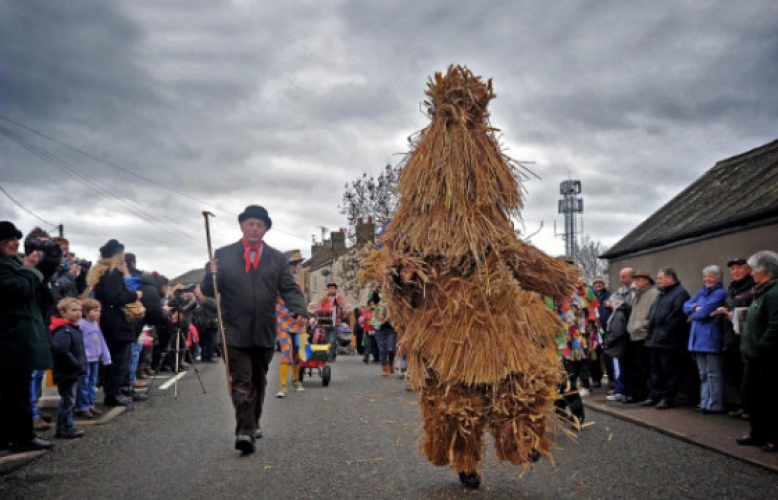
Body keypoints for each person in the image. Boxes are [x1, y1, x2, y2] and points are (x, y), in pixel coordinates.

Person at [201, 205, 308, 455]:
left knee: (258, 381)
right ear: (242, 226)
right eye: (250, 223)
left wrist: (299, 309)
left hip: (263, 330)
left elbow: (289, 288)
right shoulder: (223, 255)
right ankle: (245, 432)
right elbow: (210, 290)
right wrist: (209, 275)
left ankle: (253, 422)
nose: (254, 228)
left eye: (260, 225)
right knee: (241, 382)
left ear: (266, 229)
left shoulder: (277, 258)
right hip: (233, 330)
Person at [0, 221, 60, 452]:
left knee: (15, 391)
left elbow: (38, 290)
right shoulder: (7, 267)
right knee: (15, 393)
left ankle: (11, 436)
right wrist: (30, 268)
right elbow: (18, 289)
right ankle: (22, 437)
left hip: (17, 337)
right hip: (10, 337)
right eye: (9, 240)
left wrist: (44, 262)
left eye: (16, 239)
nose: (15, 243)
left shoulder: (14, 263)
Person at [87, 239, 144, 407]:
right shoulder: (112, 274)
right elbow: (116, 298)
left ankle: (116, 391)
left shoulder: (100, 272)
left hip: (108, 321)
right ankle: (113, 394)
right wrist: (135, 295)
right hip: (116, 322)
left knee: (115, 359)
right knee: (119, 360)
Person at [736, 250, 778, 453]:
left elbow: (775, 325)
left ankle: (772, 437)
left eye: (753, 269)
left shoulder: (774, 293)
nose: (750, 273)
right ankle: (757, 432)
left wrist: (760, 346)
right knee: (751, 395)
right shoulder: (761, 292)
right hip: (754, 356)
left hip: (767, 357)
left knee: (769, 398)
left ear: (764, 271)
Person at [643, 268, 690, 409]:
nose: (658, 281)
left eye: (660, 278)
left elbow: (676, 318)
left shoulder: (680, 294)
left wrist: (662, 335)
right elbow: (653, 315)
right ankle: (654, 395)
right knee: (655, 371)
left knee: (668, 371)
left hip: (669, 342)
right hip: (655, 340)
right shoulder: (661, 295)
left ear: (671, 278)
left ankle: (667, 398)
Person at [684, 265, 727, 414]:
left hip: (710, 338)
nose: (707, 279)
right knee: (702, 373)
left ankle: (714, 404)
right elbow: (686, 306)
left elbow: (703, 313)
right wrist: (696, 309)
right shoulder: (702, 291)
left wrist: (696, 310)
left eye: (711, 276)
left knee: (713, 373)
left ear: (718, 278)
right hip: (697, 339)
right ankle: (704, 402)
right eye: (705, 276)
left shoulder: (719, 293)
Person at [719, 258, 755, 419]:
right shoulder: (732, 288)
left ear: (749, 269)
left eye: (739, 267)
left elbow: (751, 313)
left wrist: (731, 314)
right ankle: (743, 405)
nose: (735, 271)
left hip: (746, 340)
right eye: (732, 269)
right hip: (731, 339)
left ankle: (752, 409)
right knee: (736, 375)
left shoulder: (753, 287)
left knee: (749, 377)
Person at [50, 298, 88, 438]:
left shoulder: (73, 329)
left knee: (69, 400)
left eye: (79, 310)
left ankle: (68, 425)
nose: (78, 313)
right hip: (67, 372)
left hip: (72, 371)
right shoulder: (64, 331)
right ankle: (64, 427)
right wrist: (76, 365)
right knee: (68, 400)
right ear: (63, 313)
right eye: (73, 310)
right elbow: (62, 351)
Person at [621, 270, 658, 404]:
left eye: (638, 280)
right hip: (633, 335)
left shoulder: (653, 294)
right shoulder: (638, 295)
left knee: (644, 367)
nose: (635, 282)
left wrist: (642, 326)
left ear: (646, 280)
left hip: (643, 335)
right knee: (634, 367)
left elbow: (652, 315)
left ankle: (644, 393)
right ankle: (635, 393)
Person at [275, 249, 307, 398]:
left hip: (298, 322)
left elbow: (301, 301)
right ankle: (282, 386)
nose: (295, 268)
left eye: (297, 265)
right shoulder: (277, 282)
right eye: (293, 265)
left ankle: (296, 380)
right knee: (286, 352)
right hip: (283, 321)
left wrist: (304, 314)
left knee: (297, 352)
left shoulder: (298, 281)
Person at [75, 299, 112, 418]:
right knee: (84, 383)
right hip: (85, 359)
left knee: (92, 383)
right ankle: (83, 406)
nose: (98, 314)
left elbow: (101, 341)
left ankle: (91, 404)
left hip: (95, 359)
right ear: (86, 311)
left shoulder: (95, 324)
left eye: (99, 311)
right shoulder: (81, 324)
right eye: (95, 311)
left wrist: (106, 357)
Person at [315, 282, 349, 362]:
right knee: (327, 340)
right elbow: (319, 307)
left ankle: (330, 356)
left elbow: (343, 308)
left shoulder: (338, 297)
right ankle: (332, 355)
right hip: (325, 322)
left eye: (333, 288)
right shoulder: (324, 297)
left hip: (335, 322)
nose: (331, 289)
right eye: (330, 288)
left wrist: (342, 312)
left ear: (335, 289)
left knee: (332, 340)